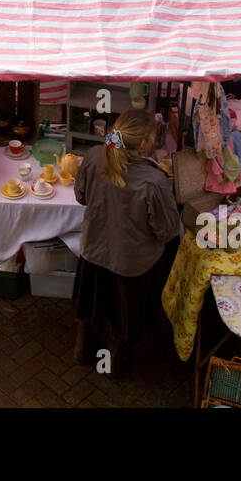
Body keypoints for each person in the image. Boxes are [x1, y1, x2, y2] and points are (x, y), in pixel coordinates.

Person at [71, 110, 180, 375]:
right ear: (143, 144)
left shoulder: (95, 155)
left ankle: (82, 346)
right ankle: (116, 359)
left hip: (94, 253)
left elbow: (81, 196)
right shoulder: (154, 181)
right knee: (123, 317)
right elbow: (166, 231)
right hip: (131, 265)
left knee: (89, 306)